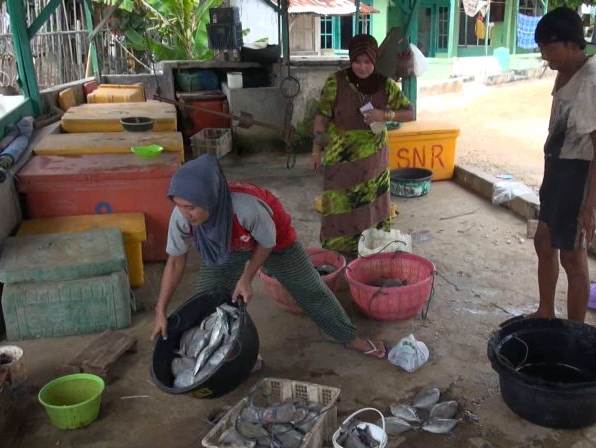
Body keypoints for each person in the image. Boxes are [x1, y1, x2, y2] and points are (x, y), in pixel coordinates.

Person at [150, 154, 386, 360]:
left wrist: (247, 277)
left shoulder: (246, 209)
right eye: (179, 205)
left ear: (210, 198)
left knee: (310, 289)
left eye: (191, 207)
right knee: (206, 299)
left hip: (274, 242)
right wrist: (160, 311)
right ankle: (234, 356)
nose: (185, 213)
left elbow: (266, 243)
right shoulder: (181, 217)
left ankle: (346, 335)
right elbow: (174, 263)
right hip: (227, 247)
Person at [530, 7, 596, 322]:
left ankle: (575, 333)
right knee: (543, 241)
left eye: (549, 49)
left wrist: (589, 206)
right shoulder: (566, 72)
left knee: (573, 258)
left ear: (572, 44)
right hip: (557, 169)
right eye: (542, 50)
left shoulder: (592, 81)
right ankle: (545, 311)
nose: (545, 57)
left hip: (577, 175)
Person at [312, 34, 415, 257]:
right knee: (340, 206)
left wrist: (384, 114)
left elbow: (410, 113)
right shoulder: (335, 82)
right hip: (341, 161)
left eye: (367, 62)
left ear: (374, 61)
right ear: (350, 60)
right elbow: (321, 117)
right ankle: (339, 253)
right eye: (357, 61)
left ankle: (371, 250)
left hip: (373, 162)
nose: (362, 67)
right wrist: (316, 150)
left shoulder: (385, 85)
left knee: (371, 208)